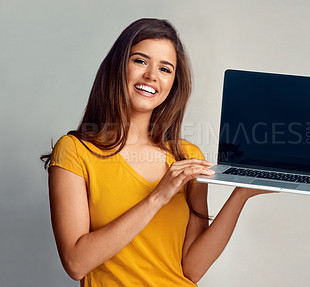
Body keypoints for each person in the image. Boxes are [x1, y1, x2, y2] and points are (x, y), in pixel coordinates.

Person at [41, 18, 275, 286]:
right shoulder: (74, 151)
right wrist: (158, 196)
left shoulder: (186, 155)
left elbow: (192, 270)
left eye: (165, 68)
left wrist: (241, 193)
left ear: (173, 83)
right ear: (118, 68)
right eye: (140, 61)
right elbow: (76, 263)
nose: (152, 75)